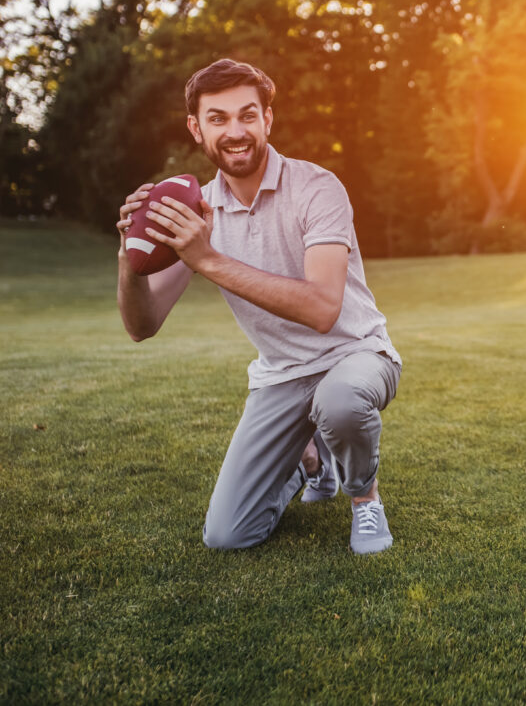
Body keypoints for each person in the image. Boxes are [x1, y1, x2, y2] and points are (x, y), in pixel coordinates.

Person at [116, 58, 402, 555]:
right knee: (227, 536)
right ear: (196, 128)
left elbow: (322, 309)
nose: (235, 131)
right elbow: (143, 325)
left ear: (268, 120)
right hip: (281, 377)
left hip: (356, 356)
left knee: (340, 400)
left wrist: (207, 259)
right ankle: (311, 463)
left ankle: (365, 500)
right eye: (218, 118)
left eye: (248, 115)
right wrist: (128, 254)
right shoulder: (197, 211)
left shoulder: (317, 188)